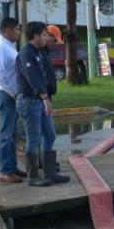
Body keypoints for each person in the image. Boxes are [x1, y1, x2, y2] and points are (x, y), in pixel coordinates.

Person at [15, 21, 68, 186]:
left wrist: (46, 98)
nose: (46, 38)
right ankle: (32, 176)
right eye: (44, 35)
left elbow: (42, 76)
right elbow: (33, 79)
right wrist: (45, 99)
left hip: (40, 100)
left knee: (49, 134)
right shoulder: (26, 53)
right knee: (34, 139)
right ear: (36, 36)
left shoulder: (38, 52)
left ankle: (50, 172)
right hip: (29, 100)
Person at [0, 17, 26, 183]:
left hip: (10, 94)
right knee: (5, 134)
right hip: (5, 95)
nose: (18, 32)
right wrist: (15, 93)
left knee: (12, 133)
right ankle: (5, 170)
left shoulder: (9, 47)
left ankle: (12, 167)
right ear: (7, 30)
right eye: (16, 29)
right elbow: (0, 74)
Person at [37, 24, 69, 183]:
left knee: (45, 134)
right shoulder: (38, 53)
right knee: (48, 134)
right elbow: (36, 79)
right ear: (46, 35)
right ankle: (46, 167)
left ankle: (46, 163)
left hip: (46, 97)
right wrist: (45, 99)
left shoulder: (44, 52)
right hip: (42, 99)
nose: (54, 44)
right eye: (53, 40)